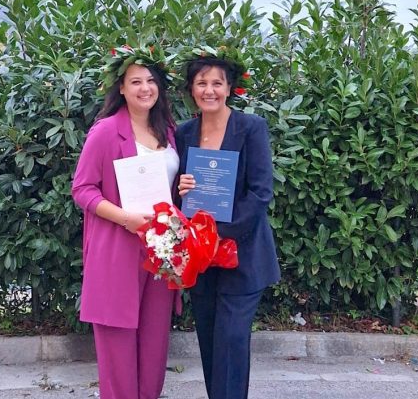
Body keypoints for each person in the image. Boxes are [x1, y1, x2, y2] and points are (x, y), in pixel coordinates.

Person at [71, 45, 179, 399]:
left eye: (150, 80)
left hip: (161, 250)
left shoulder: (168, 131)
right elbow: (82, 189)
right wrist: (125, 219)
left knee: (154, 346)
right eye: (135, 81)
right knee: (117, 349)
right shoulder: (105, 132)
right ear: (121, 87)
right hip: (118, 249)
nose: (145, 88)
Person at [176, 47, 281, 399]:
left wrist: (221, 233)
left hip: (243, 255)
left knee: (232, 340)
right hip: (201, 258)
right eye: (201, 83)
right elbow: (178, 194)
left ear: (229, 87)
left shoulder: (251, 127)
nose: (209, 90)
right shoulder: (184, 133)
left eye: (217, 83)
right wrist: (180, 188)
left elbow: (261, 192)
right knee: (209, 341)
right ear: (191, 89)